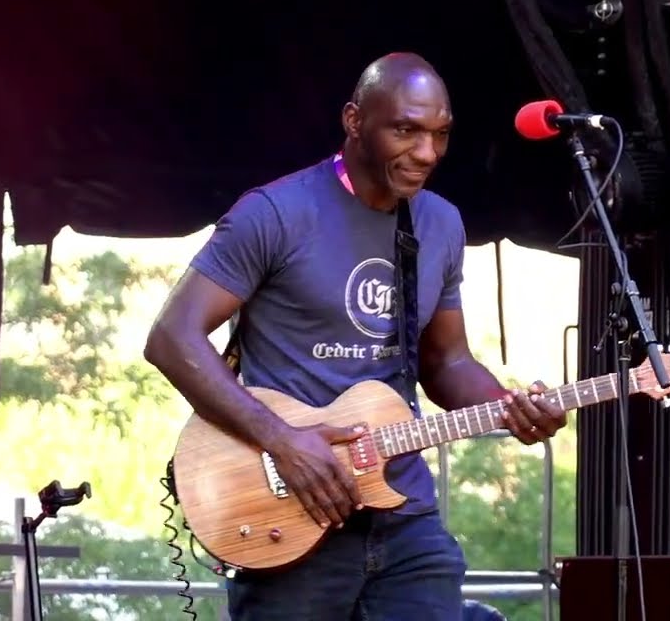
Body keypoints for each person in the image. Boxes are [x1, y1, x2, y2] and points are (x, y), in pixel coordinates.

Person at [144, 52, 568, 620]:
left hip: (403, 513)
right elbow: (171, 338)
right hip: (293, 511)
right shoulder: (274, 213)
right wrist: (282, 440)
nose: (426, 153)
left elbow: (446, 362)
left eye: (440, 135)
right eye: (406, 130)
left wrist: (508, 407)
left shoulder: (440, 222)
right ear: (354, 121)